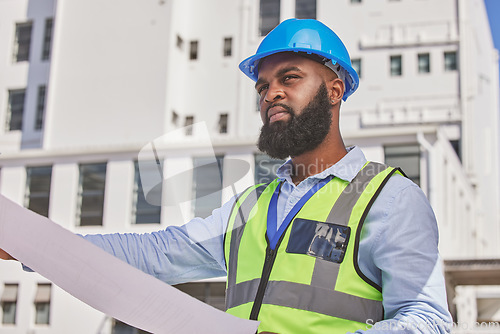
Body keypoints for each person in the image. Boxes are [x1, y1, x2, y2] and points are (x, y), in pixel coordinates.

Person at [1, 19, 452, 333]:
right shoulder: (252, 206)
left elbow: (428, 321)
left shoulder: (389, 199)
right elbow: (155, 254)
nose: (271, 92)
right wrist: (27, 244)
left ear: (335, 90)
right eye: (263, 86)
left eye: (290, 78)